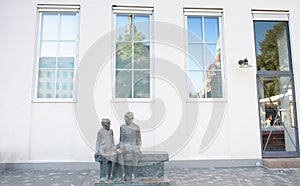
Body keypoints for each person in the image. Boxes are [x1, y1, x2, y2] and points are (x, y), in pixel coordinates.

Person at [117, 111, 141, 181]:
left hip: (133, 146)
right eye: (125, 117)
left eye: (127, 117)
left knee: (136, 153)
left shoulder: (136, 127)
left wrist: (138, 147)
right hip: (124, 146)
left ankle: (133, 174)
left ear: (132, 118)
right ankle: (123, 174)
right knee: (119, 153)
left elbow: (139, 141)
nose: (126, 119)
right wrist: (120, 147)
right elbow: (121, 140)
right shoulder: (122, 127)